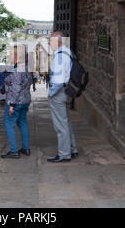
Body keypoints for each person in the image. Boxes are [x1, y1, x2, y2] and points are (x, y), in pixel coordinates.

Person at [46, 31, 78, 162]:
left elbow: (58, 81)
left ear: (57, 41)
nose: (49, 43)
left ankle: (64, 154)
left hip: (59, 93)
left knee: (60, 125)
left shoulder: (59, 57)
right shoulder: (68, 52)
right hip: (67, 91)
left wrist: (50, 94)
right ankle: (72, 149)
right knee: (66, 122)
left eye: (50, 40)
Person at [1, 44, 32, 159]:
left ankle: (14, 151)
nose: (9, 56)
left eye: (11, 54)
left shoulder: (18, 69)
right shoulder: (27, 68)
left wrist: (12, 105)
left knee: (8, 123)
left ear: (16, 56)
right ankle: (26, 148)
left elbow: (16, 88)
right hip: (25, 100)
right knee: (22, 122)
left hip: (17, 102)